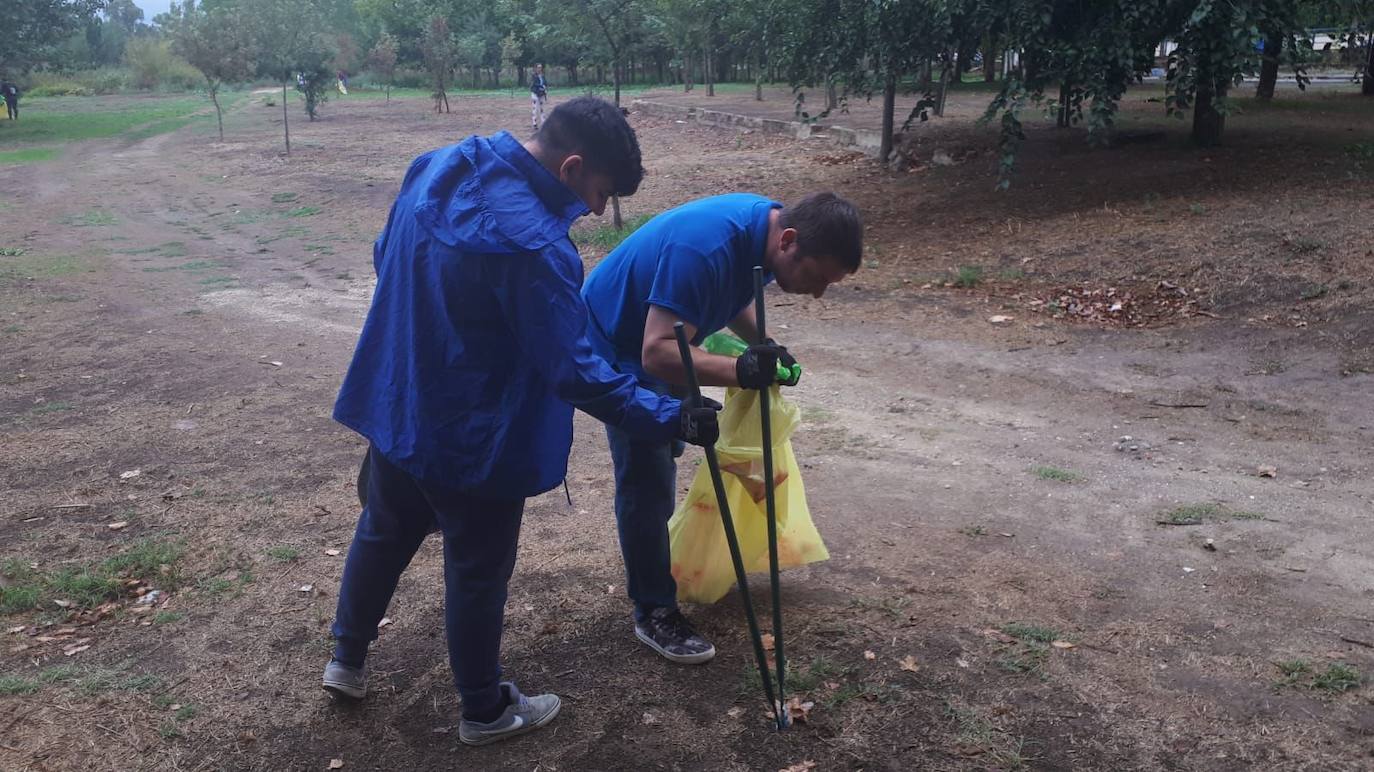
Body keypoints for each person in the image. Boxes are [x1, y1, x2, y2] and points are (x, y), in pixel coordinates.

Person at [323, 96, 722, 747]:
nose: (596, 211)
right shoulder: (534, 247)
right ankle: (483, 710)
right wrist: (671, 416)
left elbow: (383, 254)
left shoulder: (436, 166)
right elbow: (577, 370)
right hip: (474, 433)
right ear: (571, 166)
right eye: (599, 193)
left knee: (385, 527)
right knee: (477, 566)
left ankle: (347, 657)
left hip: (402, 398)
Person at [580, 192, 863, 664]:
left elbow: (727, 295)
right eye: (816, 278)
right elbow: (656, 353)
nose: (818, 293)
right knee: (648, 474)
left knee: (669, 444)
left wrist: (764, 345)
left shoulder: (764, 229)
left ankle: (655, 562)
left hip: (661, 337)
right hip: (619, 344)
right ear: (789, 241)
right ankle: (653, 610)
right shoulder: (705, 247)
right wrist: (741, 370)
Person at [530, 64, 548, 131]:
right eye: (538, 67)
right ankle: (534, 123)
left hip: (541, 93)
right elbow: (534, 84)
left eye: (540, 67)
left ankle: (543, 123)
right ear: (536, 68)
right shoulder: (534, 75)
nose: (539, 69)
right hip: (535, 93)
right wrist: (541, 86)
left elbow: (545, 83)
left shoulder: (542, 75)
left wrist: (544, 87)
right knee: (535, 108)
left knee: (542, 108)